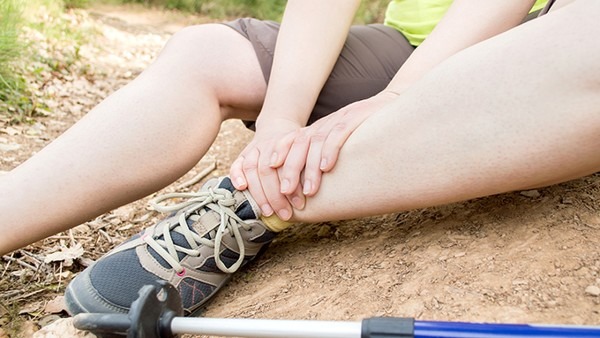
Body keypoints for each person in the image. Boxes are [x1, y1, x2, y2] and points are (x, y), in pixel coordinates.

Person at [4, 0, 597, 317]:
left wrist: (396, 100)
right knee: (205, 54)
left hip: (540, 42)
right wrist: (283, 119)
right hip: (412, 46)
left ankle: (255, 202)